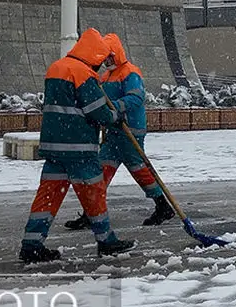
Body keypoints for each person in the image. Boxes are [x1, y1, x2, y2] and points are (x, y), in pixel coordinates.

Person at [18, 28, 136, 263]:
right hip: (79, 147)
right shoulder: (83, 73)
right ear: (94, 54)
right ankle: (106, 241)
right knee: (94, 193)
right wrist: (115, 118)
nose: (100, 66)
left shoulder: (57, 67)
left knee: (48, 196)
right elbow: (96, 111)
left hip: (54, 146)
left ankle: (31, 245)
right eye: (100, 61)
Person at [64, 32, 174, 230]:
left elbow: (136, 98)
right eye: (103, 57)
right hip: (114, 130)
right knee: (101, 172)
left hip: (129, 130)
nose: (105, 61)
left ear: (116, 54)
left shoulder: (130, 72)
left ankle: (162, 205)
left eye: (108, 57)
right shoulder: (106, 76)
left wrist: (113, 107)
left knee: (138, 170)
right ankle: (93, 212)